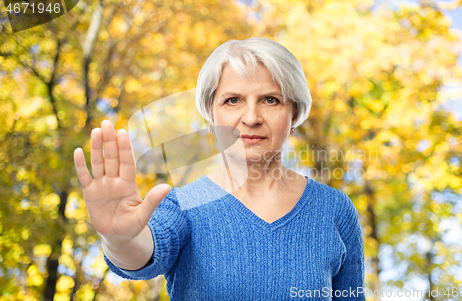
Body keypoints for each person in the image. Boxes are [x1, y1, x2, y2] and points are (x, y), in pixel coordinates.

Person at [73, 37, 366, 300]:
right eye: (233, 100)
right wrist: (118, 239)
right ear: (211, 119)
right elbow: (142, 251)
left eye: (271, 100)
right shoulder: (181, 206)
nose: (251, 117)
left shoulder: (335, 210)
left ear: (295, 115)